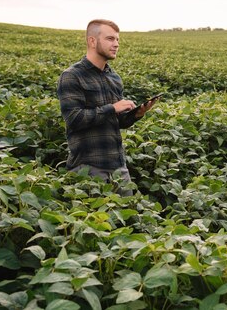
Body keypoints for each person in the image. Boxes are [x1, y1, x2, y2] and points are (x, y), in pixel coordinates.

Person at [57, 19, 157, 195]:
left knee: (130, 220)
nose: (116, 44)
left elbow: (117, 121)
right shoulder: (72, 76)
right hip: (87, 168)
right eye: (110, 39)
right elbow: (74, 119)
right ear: (92, 41)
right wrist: (113, 107)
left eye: (118, 40)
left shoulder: (114, 77)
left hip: (119, 168)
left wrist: (136, 114)